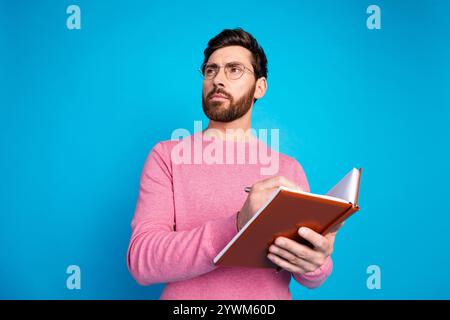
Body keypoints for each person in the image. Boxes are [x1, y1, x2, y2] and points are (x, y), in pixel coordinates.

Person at [127, 28, 340, 299]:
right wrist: (238, 224)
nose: (218, 80)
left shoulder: (288, 170)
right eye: (210, 71)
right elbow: (142, 261)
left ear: (259, 87)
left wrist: (316, 262)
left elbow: (311, 277)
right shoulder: (166, 157)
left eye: (234, 70)